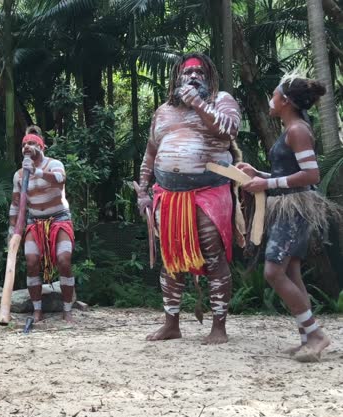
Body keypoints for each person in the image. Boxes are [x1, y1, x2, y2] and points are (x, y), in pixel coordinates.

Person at [134, 52, 241, 344]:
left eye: (199, 73)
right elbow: (151, 152)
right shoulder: (163, 111)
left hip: (209, 192)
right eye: (187, 73)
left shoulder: (222, 100)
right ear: (177, 78)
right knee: (171, 260)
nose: (193, 77)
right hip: (167, 196)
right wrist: (143, 188)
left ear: (209, 78)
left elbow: (229, 129)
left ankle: (218, 327)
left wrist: (197, 102)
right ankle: (171, 324)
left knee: (213, 257)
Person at [237, 76, 342, 362]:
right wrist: (259, 174)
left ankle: (317, 334)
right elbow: (291, 173)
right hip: (287, 204)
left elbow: (311, 176)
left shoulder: (297, 130)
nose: (270, 100)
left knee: (273, 272)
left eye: (273, 95)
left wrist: (266, 185)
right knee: (292, 272)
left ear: (284, 101)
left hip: (294, 209)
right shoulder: (293, 129)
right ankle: (307, 337)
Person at [8, 126, 76, 324]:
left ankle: (67, 309)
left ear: (41, 146)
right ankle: (37, 310)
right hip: (34, 222)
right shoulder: (19, 175)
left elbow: (60, 180)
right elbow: (15, 205)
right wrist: (12, 230)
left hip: (59, 219)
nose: (26, 147)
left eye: (31, 143)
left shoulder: (54, 164)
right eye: (24, 145)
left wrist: (36, 172)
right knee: (31, 261)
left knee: (64, 260)